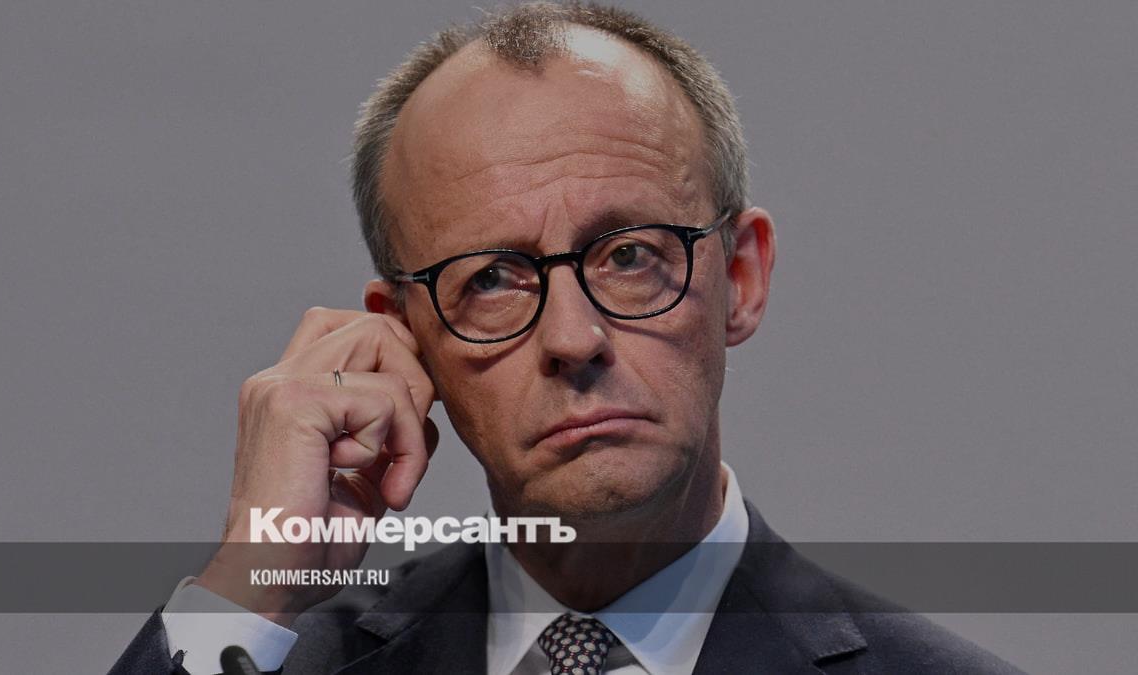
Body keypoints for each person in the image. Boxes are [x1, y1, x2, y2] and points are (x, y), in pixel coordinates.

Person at [111, 2, 1022, 673]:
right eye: (491, 278)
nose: (573, 337)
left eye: (629, 255)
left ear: (740, 278)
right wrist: (247, 582)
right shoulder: (274, 658)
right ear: (405, 339)